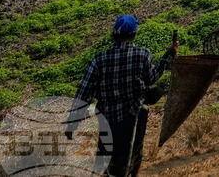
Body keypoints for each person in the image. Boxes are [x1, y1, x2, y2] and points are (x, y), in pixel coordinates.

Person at [70, 15, 177, 176]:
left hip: (108, 120)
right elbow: (153, 77)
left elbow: (83, 94)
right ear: (134, 34)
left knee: (106, 160)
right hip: (134, 118)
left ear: (114, 35)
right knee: (133, 156)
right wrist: (168, 55)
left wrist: (72, 123)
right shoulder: (142, 55)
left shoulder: (99, 60)